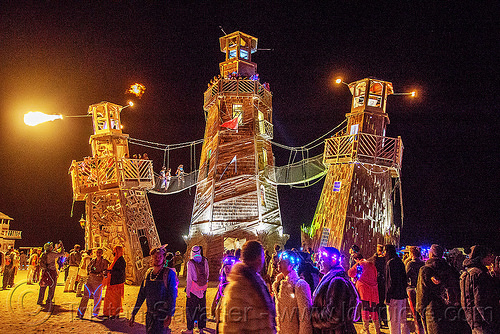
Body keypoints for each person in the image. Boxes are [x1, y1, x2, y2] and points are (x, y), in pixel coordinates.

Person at [217, 240, 276, 333]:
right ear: (258, 258)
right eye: (262, 255)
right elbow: (231, 328)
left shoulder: (257, 281)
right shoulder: (238, 288)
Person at [130, 246, 178, 334]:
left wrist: (170, 315)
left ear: (164, 258)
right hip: (149, 315)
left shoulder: (169, 274)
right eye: (155, 256)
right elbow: (142, 294)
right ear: (152, 257)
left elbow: (172, 295)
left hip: (162, 316)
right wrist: (134, 313)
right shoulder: (148, 273)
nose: (157, 258)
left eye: (160, 257)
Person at [311, 246, 359, 334]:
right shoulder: (330, 279)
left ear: (332, 261)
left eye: (322, 259)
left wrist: (311, 316)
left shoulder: (338, 282)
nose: (319, 262)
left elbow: (333, 316)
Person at [416, 244, 461, 334]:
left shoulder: (425, 270)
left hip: (433, 310)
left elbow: (422, 292)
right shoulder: (449, 269)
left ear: (431, 254)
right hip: (449, 309)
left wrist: (419, 309)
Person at [461, 245, 500, 334]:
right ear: (482, 257)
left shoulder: (470, 272)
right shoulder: (478, 274)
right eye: (488, 255)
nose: (491, 258)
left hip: (474, 319)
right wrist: (491, 321)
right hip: (482, 322)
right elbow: (480, 301)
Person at [272, 250, 313, 334]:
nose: (279, 262)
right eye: (279, 260)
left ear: (291, 264)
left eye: (283, 260)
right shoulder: (278, 284)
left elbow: (305, 318)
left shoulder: (299, 285)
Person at [348, 253, 381, 334]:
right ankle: (377, 329)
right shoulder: (371, 264)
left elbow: (350, 273)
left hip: (363, 288)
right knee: (373, 308)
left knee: (365, 307)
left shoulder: (359, 264)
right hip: (373, 289)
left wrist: (356, 264)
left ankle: (366, 330)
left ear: (357, 259)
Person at [182, 245, 209, 334]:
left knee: (190, 309)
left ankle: (190, 329)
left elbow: (189, 279)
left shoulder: (190, 263)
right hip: (203, 289)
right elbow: (207, 274)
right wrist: (203, 285)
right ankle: (201, 330)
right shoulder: (205, 260)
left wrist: (188, 291)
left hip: (193, 290)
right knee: (202, 309)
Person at [77, 248, 110, 319]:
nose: (98, 254)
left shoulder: (104, 262)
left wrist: (103, 276)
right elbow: (88, 268)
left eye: (100, 252)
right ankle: (80, 313)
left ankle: (95, 313)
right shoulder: (92, 261)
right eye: (97, 252)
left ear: (102, 253)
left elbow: (105, 271)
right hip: (90, 280)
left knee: (97, 298)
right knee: (85, 296)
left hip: (98, 281)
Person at [384, 244, 409, 334]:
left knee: (394, 322)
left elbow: (390, 281)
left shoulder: (390, 263)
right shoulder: (400, 261)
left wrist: (388, 297)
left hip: (394, 296)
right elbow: (404, 279)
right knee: (403, 321)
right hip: (402, 295)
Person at [37, 241, 65, 308]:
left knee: (43, 286)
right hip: (51, 272)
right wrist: (61, 246)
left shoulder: (43, 254)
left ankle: (40, 300)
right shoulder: (52, 254)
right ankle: (49, 300)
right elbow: (62, 254)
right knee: (52, 286)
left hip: (44, 272)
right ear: (50, 248)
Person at [405, 246, 425, 334]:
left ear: (411, 254)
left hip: (412, 289)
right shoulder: (423, 263)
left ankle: (418, 330)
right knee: (422, 311)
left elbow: (405, 276)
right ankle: (424, 329)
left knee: (415, 312)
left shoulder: (410, 264)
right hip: (422, 289)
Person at [103, 245, 126, 319]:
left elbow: (120, 272)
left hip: (117, 283)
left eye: (115, 250)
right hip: (112, 282)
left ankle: (115, 313)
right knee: (109, 298)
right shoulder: (115, 260)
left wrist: (110, 271)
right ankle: (108, 312)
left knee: (116, 299)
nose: (114, 252)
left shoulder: (121, 261)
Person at [371, 244, 388, 328]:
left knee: (377, 304)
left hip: (376, 284)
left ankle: (379, 322)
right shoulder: (386, 260)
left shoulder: (375, 260)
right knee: (382, 303)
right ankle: (384, 321)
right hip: (383, 284)